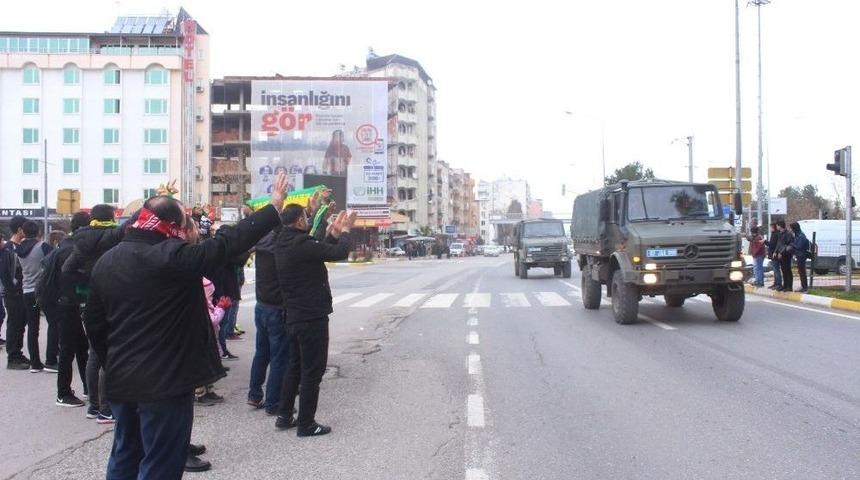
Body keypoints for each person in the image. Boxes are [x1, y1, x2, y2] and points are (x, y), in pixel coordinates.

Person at [83, 174, 286, 480]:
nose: (190, 228)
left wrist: (113, 360)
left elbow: (94, 323)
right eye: (186, 221)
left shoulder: (107, 261)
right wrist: (273, 207)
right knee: (161, 462)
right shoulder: (171, 257)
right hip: (165, 381)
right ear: (171, 225)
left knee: (125, 454)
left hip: (122, 379)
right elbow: (226, 244)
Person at [274, 205, 357, 436]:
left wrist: (333, 234)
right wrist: (346, 231)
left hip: (293, 315)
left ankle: (284, 415)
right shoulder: (301, 243)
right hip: (311, 316)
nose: (308, 221)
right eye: (305, 217)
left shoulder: (284, 242)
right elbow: (338, 253)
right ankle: (306, 424)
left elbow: (319, 251)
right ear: (299, 221)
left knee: (294, 366)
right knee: (312, 371)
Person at [63, 204, 127, 423]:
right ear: (111, 218)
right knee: (111, 352)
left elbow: (67, 269)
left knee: (95, 353)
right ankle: (107, 409)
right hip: (113, 299)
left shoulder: (82, 239)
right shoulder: (115, 236)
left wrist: (87, 284)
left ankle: (94, 405)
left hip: (90, 301)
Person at [42, 213, 91, 407]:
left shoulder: (64, 245)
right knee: (68, 349)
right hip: (66, 304)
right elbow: (71, 281)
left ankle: (88, 387)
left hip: (61, 303)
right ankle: (63, 393)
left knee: (80, 346)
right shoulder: (72, 250)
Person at [247, 221, 287, 415]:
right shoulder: (282, 247)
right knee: (279, 357)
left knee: (262, 352)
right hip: (277, 308)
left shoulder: (262, 243)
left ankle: (254, 395)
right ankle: (273, 402)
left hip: (261, 305)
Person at [15, 221, 55, 373]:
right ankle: (51, 360)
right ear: (38, 232)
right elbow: (53, 262)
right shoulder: (42, 246)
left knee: (32, 327)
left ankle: (35, 363)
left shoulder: (19, 249)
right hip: (42, 291)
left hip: (27, 291)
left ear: (23, 232)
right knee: (53, 323)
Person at [1, 216, 29, 370]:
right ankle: (13, 357)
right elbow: (5, 273)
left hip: (21, 292)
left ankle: (18, 353)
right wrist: (12, 290)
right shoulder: (8, 249)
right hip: (13, 294)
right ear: (19, 229)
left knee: (21, 324)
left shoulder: (19, 247)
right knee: (14, 324)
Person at [791, 222, 811, 293]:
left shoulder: (801, 236)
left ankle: (805, 287)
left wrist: (792, 244)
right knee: (801, 271)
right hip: (799, 255)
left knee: (802, 271)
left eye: (792, 229)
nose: (791, 230)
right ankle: (803, 286)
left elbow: (799, 246)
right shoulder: (797, 235)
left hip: (802, 255)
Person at [775, 221, 795, 292]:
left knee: (787, 270)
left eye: (777, 225)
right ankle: (785, 285)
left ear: (780, 226)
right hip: (781, 255)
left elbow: (788, 245)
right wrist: (775, 251)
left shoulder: (788, 234)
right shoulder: (780, 233)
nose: (776, 227)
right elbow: (779, 244)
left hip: (786, 255)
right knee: (783, 270)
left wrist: (782, 253)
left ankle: (789, 286)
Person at [767, 223, 782, 290]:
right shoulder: (774, 234)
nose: (770, 229)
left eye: (771, 227)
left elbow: (772, 244)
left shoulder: (776, 234)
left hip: (775, 254)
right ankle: (776, 283)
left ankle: (778, 284)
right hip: (773, 254)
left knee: (776, 270)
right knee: (775, 270)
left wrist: (765, 242)